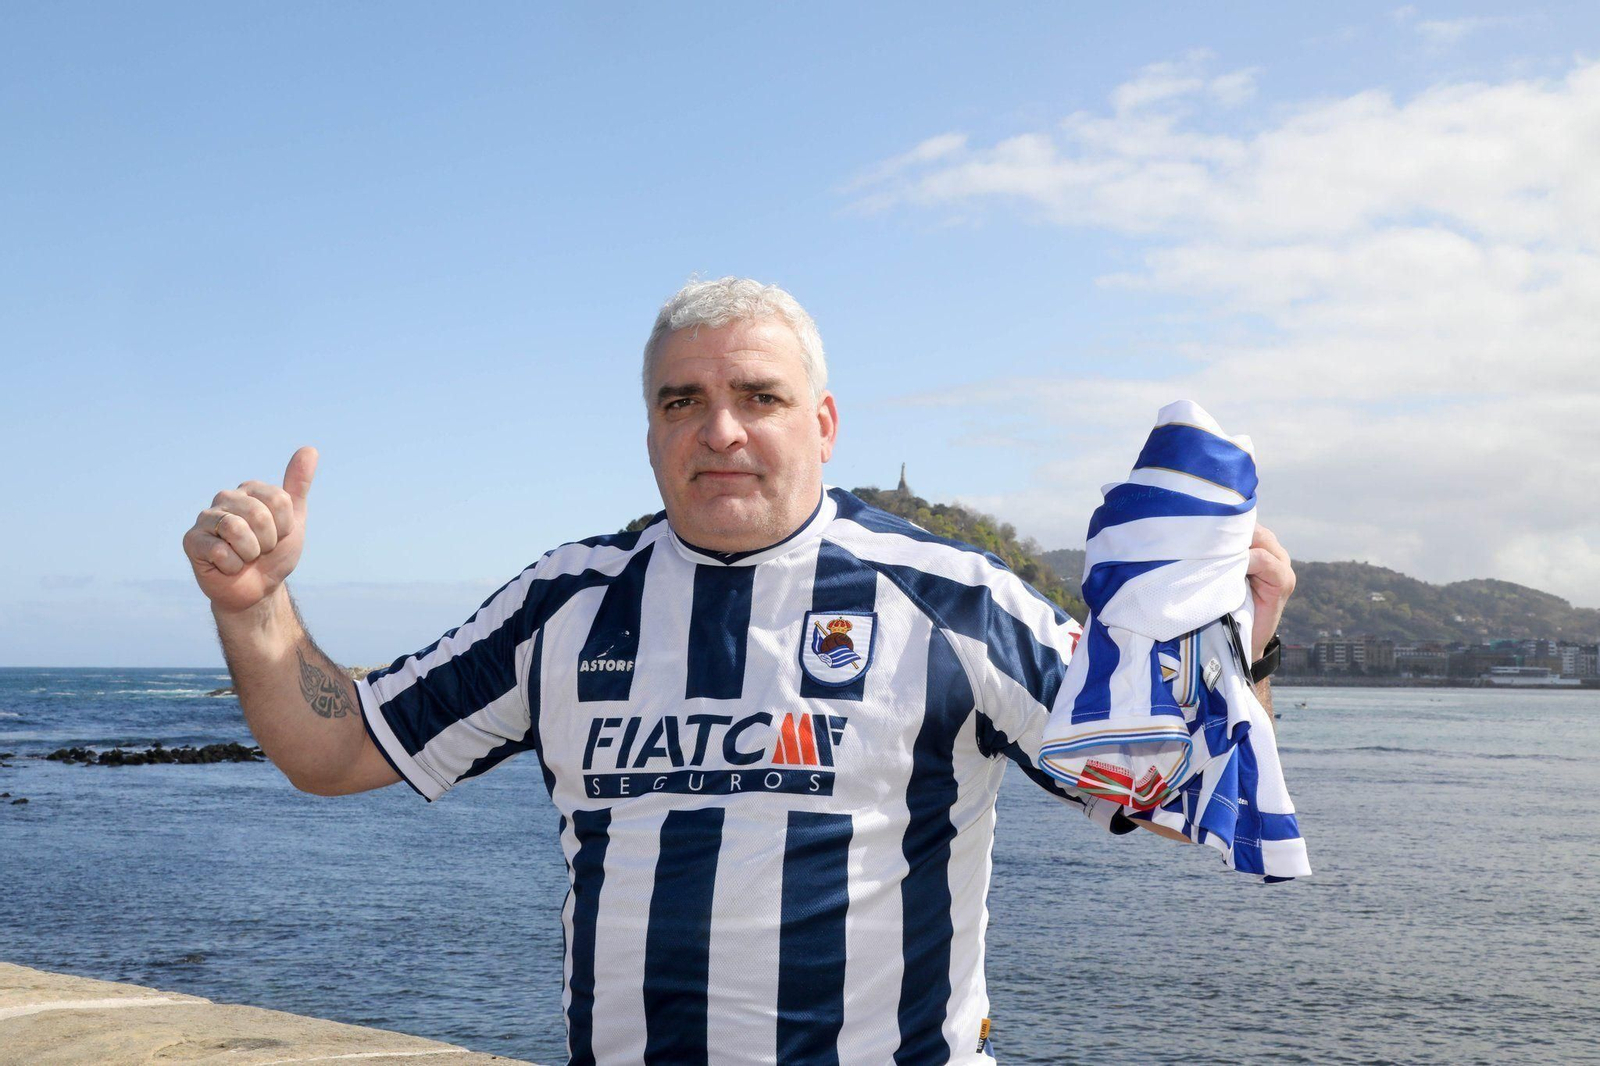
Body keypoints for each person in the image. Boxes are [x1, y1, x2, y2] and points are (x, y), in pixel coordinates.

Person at [182, 277, 1297, 1065]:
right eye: (683, 401)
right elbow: (333, 747)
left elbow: (1168, 791)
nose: (720, 429)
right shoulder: (564, 604)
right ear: (650, 429)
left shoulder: (951, 600)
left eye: (758, 397)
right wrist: (254, 606)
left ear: (822, 423)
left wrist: (1235, 650)